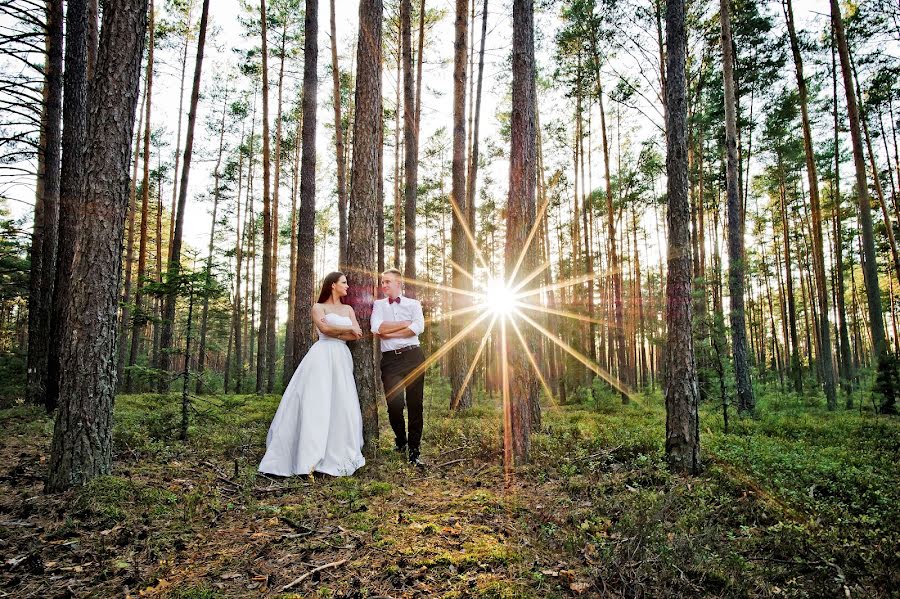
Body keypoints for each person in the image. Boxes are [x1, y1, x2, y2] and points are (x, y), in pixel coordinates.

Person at [258, 272, 366, 477]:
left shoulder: (348, 308)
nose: (348, 286)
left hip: (341, 357)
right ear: (333, 285)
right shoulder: (318, 307)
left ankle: (336, 454)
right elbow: (323, 329)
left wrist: (341, 330)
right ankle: (307, 456)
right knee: (316, 401)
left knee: (341, 402)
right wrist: (345, 329)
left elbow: (356, 334)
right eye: (344, 283)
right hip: (321, 357)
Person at [371, 268, 427, 466]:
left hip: (413, 357)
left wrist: (390, 331)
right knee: (394, 404)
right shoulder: (378, 305)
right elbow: (376, 328)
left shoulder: (413, 304)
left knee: (415, 404)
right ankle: (401, 442)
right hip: (390, 361)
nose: (383, 285)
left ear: (398, 283)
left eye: (387, 281)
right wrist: (403, 325)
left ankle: (414, 450)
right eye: (382, 282)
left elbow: (418, 327)